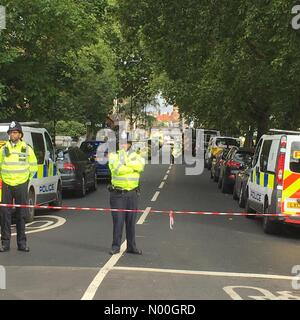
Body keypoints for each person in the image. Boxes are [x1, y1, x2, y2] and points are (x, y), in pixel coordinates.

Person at [0, 121, 38, 252]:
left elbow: (33, 166)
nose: (12, 134)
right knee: (5, 214)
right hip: (6, 184)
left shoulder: (27, 149)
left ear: (20, 134)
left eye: (15, 132)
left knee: (21, 214)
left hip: (22, 183)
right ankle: (5, 244)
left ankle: (22, 243)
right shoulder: (4, 149)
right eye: (11, 132)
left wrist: (27, 180)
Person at [108, 132, 145, 255]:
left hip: (132, 193)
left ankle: (131, 247)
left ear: (130, 144)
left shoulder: (136, 155)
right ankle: (115, 246)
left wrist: (125, 163)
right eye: (121, 142)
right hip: (118, 194)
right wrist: (131, 167)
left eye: (125, 142)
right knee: (118, 221)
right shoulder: (113, 155)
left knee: (131, 222)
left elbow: (140, 166)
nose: (123, 145)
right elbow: (118, 170)